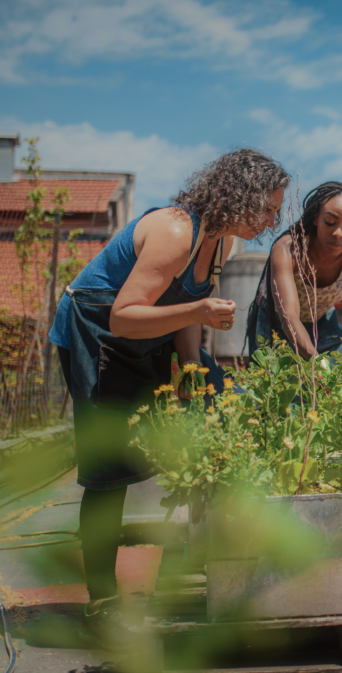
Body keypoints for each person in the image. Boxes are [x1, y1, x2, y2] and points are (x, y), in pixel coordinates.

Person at [48, 149, 290, 649]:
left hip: (142, 340)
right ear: (241, 196)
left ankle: (217, 560)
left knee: (206, 412)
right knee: (109, 470)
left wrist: (200, 371)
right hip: (98, 333)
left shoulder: (217, 244)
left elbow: (181, 317)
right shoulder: (177, 232)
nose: (273, 220)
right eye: (269, 208)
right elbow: (122, 315)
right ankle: (103, 600)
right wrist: (201, 311)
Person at [247, 182, 342, 360]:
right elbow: (288, 316)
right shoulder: (289, 249)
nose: (338, 233)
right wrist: (317, 363)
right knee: (275, 384)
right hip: (276, 323)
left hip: (322, 319)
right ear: (315, 218)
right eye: (329, 222)